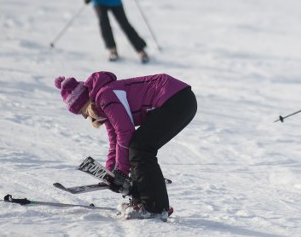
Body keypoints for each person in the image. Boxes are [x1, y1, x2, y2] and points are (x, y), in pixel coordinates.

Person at [54, 72, 197, 220]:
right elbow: (115, 142)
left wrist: (121, 171)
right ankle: (143, 201)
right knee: (137, 147)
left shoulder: (105, 96)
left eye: (82, 111)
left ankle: (154, 207)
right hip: (178, 99)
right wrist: (109, 174)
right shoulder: (103, 105)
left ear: (86, 102)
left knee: (140, 148)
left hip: (177, 99)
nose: (85, 117)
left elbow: (125, 131)